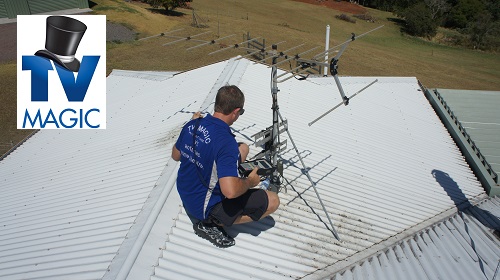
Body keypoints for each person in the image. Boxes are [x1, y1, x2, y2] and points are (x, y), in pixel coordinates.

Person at [171, 85, 280, 248]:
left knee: (243, 147)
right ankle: (211, 224)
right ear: (235, 111)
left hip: (186, 190)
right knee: (273, 201)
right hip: (204, 207)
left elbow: (176, 155)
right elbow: (230, 192)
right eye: (241, 112)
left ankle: (228, 174)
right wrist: (250, 182)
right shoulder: (226, 142)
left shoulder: (192, 125)